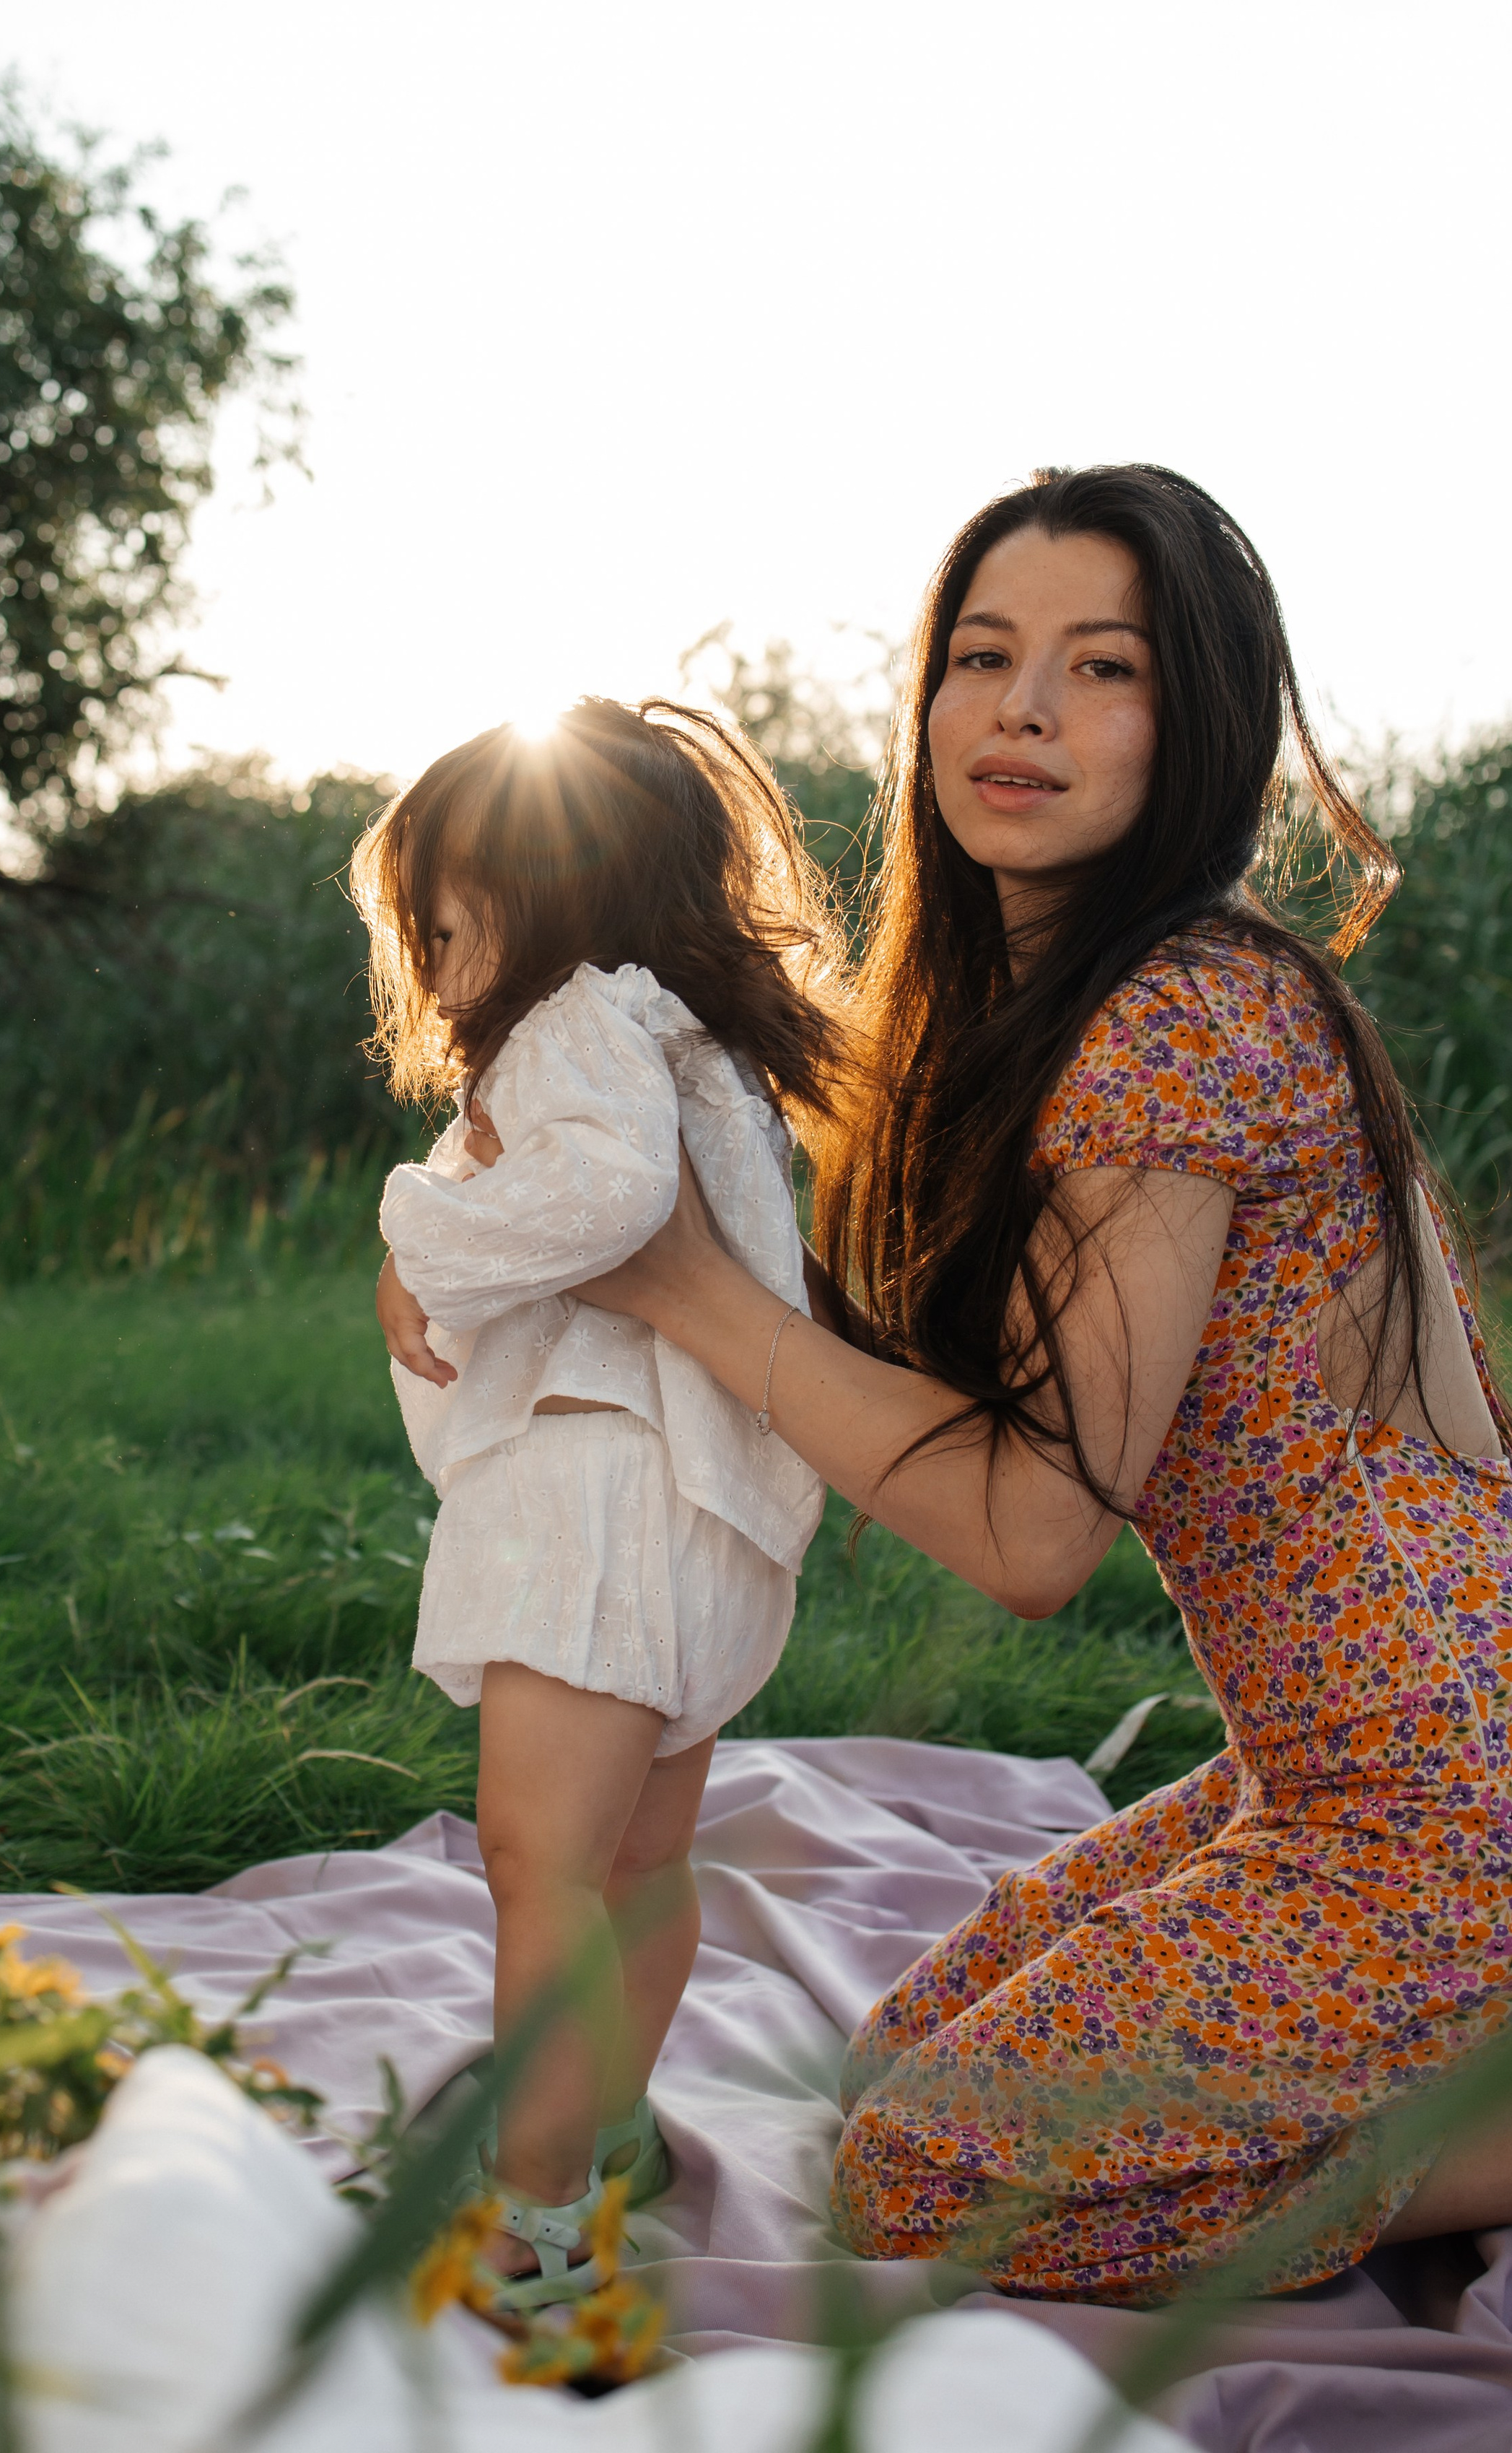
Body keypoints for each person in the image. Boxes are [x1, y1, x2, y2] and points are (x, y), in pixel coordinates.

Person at [560, 463, 1512, 2304]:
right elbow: (865, 1315)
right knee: (893, 2065)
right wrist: (463, 1228)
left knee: (929, 2179)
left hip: (1438, 1786)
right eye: (984, 656)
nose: (1022, 710)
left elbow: (1027, 1533)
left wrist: (682, 1291)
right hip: (1323, 1764)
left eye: (1102, 668)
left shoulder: (1177, 1021)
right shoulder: (1063, 1010)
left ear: (1197, 721)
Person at [355, 700, 847, 2312]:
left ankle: (535, 2220)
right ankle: (607, 2123)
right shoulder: (681, 1036)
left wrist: (421, 1227)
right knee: (639, 1865)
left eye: (441, 918)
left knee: (536, 1865)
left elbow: (604, 1199)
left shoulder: (573, 1023)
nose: (429, 959)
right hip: (705, 1515)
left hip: (593, 1494)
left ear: (554, 895)